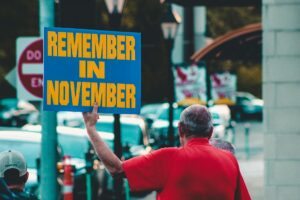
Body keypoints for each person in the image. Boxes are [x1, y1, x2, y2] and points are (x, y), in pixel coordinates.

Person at [83, 103, 251, 200]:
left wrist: (91, 128)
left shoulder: (168, 158)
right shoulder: (229, 160)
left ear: (180, 130)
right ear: (211, 131)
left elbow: (116, 169)